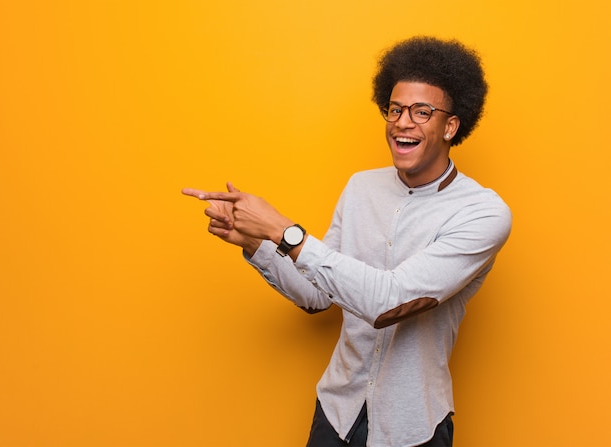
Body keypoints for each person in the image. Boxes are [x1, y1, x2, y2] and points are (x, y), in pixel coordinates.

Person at [183, 36, 512, 447]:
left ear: (450, 126)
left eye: (421, 111)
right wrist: (256, 243)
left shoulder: (482, 214)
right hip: (336, 413)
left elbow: (388, 302)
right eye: (394, 109)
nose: (402, 122)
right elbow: (317, 296)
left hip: (413, 426)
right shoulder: (360, 188)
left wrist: (286, 233)